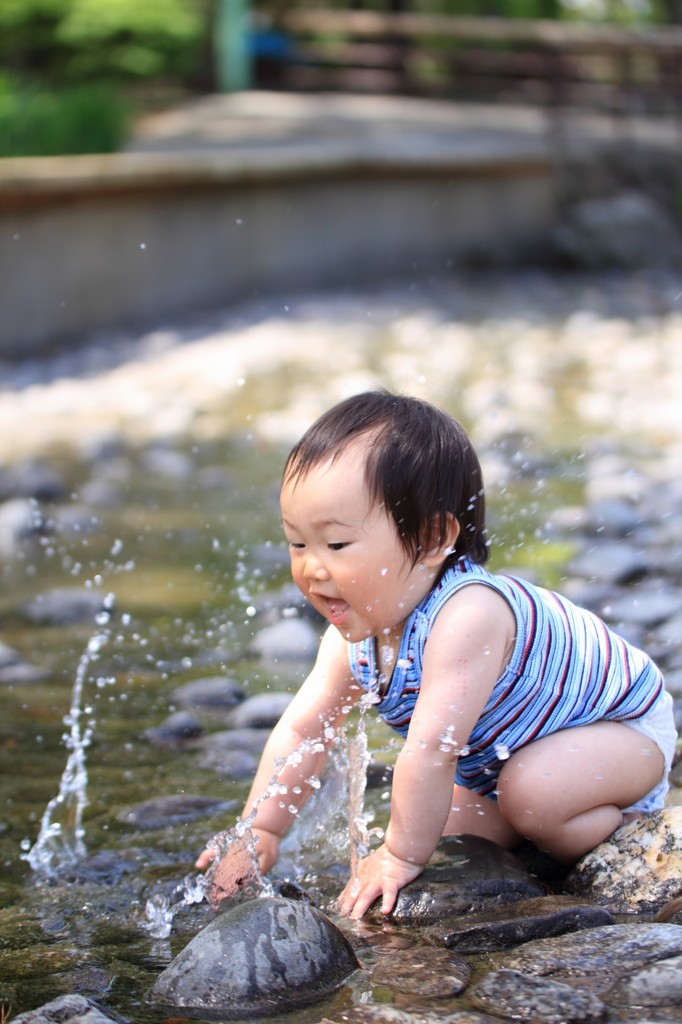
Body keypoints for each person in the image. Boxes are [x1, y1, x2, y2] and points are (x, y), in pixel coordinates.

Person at [196, 390, 676, 920]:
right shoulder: (351, 638)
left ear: (431, 539)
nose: (312, 569)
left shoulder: (467, 615)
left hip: (619, 733)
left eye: (335, 546)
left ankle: (630, 829)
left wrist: (400, 856)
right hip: (507, 756)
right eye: (296, 544)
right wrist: (259, 829)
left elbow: (432, 749)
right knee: (444, 825)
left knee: (530, 794)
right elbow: (304, 732)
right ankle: (532, 828)